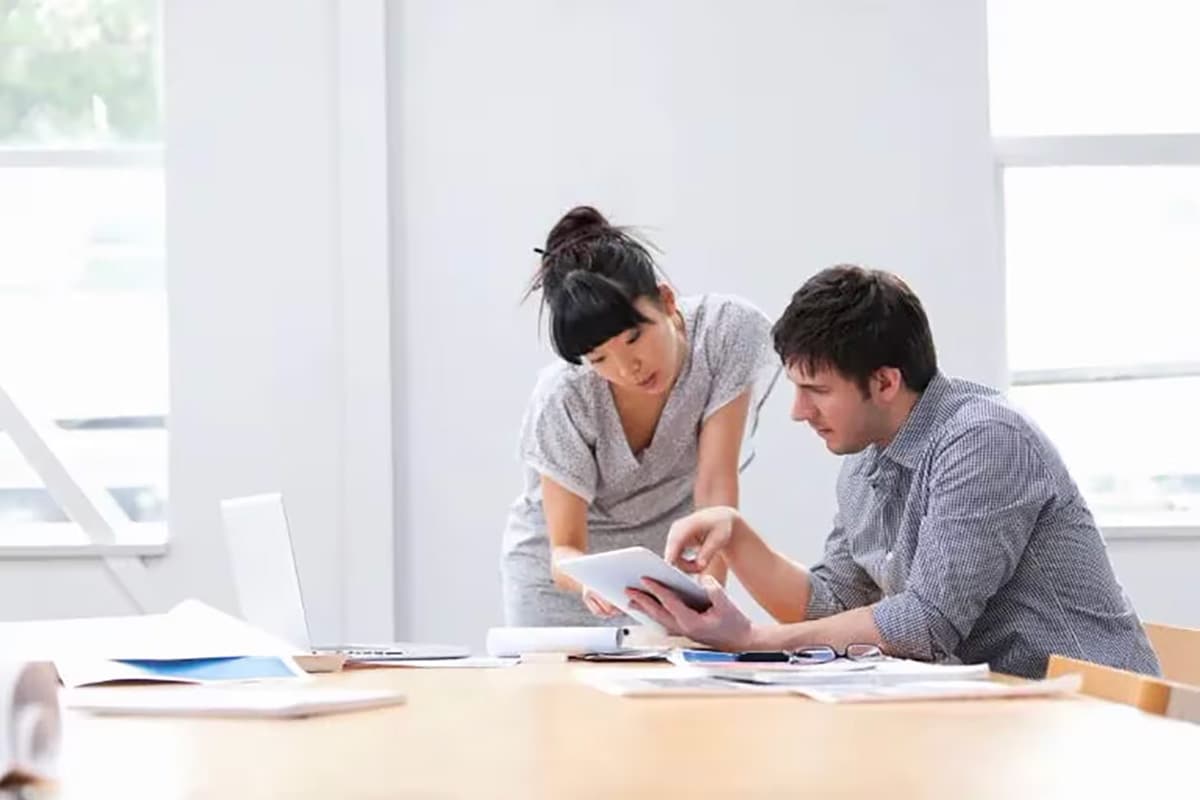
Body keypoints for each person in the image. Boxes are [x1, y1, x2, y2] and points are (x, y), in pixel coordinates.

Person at [628, 264, 1160, 678]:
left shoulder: (983, 439)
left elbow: (925, 624)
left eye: (816, 390)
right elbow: (833, 605)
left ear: (884, 382)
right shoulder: (864, 462)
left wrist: (750, 642)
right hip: (993, 709)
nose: (798, 411)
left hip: (1085, 711)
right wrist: (737, 540)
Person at [501, 206, 775, 626]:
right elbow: (563, 553)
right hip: (569, 589)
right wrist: (594, 583)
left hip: (664, 582)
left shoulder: (726, 333)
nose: (627, 367)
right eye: (599, 358)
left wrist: (709, 599)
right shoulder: (566, 396)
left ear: (666, 300)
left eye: (634, 337)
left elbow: (715, 483)